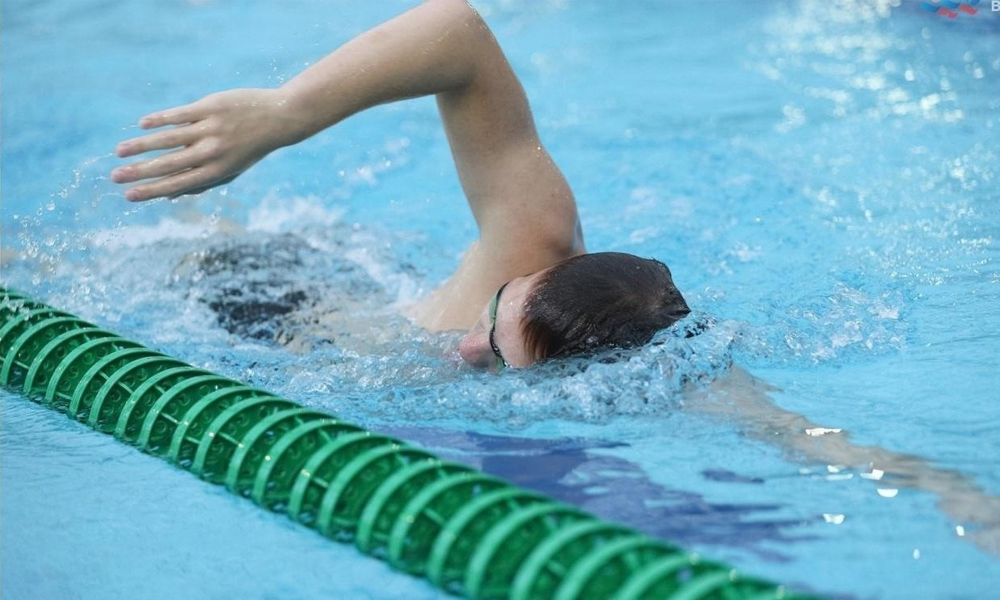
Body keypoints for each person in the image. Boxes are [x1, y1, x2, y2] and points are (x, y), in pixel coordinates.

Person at [110, 0, 690, 372]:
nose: (466, 346)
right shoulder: (534, 242)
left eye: (495, 357)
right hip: (272, 293)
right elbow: (456, 32)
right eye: (491, 314)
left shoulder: (609, 372)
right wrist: (286, 113)